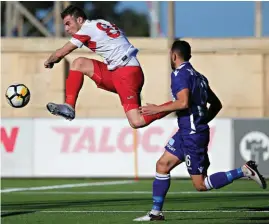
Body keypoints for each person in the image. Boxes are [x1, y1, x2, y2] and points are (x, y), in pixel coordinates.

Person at [133, 40, 267, 221]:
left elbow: (183, 102)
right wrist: (201, 121)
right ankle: (155, 213)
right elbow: (216, 104)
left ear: (173, 55)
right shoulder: (199, 77)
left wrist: (157, 109)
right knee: (162, 165)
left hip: (192, 135)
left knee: (201, 184)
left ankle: (244, 171)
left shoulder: (179, 74)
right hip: (187, 132)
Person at [44, 5, 171, 128]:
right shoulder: (100, 22)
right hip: (119, 71)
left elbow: (61, 53)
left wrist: (49, 61)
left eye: (68, 23)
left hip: (126, 73)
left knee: (136, 121)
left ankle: (177, 105)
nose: (66, 29)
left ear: (79, 20)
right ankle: (69, 107)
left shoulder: (86, 30)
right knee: (79, 63)